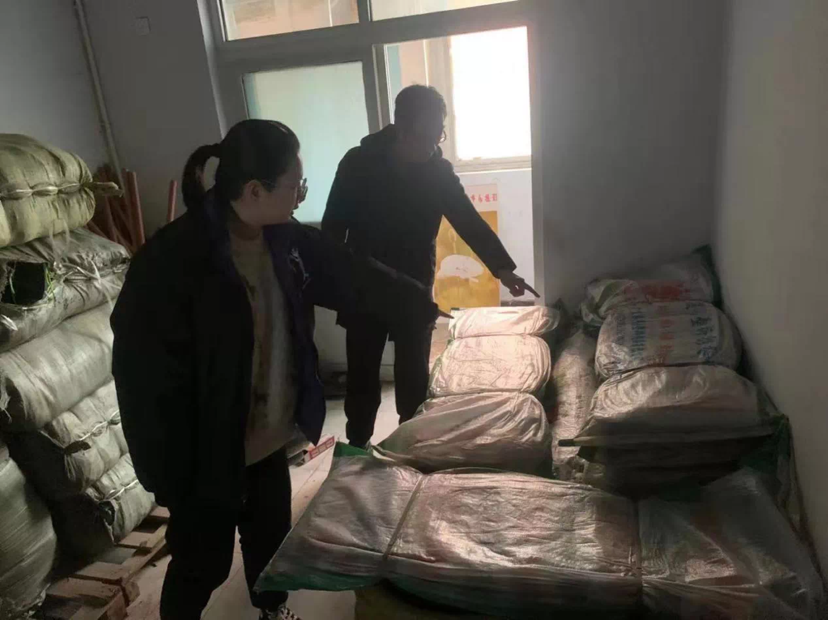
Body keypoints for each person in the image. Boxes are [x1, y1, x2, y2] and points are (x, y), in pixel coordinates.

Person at [110, 120, 439, 620]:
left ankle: (272, 611)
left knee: (271, 544)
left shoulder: (285, 241)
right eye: (295, 185)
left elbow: (352, 273)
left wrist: (419, 304)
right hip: (204, 455)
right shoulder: (172, 262)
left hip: (266, 437)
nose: (301, 195)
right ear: (254, 191)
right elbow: (142, 381)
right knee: (203, 563)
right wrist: (165, 474)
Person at [322, 84, 537, 449]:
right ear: (400, 128)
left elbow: (468, 220)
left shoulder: (437, 171)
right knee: (362, 377)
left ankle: (410, 446)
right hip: (363, 285)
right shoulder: (358, 163)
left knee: (413, 379)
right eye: (425, 137)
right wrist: (336, 276)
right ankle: (357, 448)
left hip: (414, 286)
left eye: (439, 135)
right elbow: (333, 225)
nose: (432, 146)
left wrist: (503, 269)